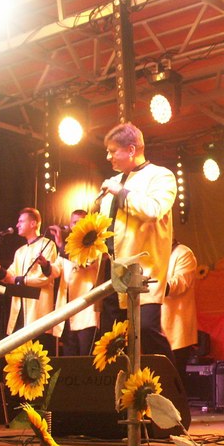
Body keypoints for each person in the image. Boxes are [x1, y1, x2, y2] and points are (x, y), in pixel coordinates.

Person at [97, 122, 176, 361]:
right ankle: (123, 386)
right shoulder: (114, 181)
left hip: (144, 273)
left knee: (147, 331)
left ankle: (172, 384)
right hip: (113, 273)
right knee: (112, 342)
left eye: (113, 151)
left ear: (131, 150)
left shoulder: (161, 175)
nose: (108, 157)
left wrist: (120, 192)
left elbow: (153, 209)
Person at [0, 206, 59, 349]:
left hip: (37, 312)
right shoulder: (20, 251)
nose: (17, 225)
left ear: (33, 223)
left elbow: (45, 278)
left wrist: (18, 280)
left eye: (21, 221)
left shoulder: (47, 245)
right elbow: (10, 275)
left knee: (36, 355)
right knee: (16, 355)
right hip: (19, 309)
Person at [44, 209, 100, 356]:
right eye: (74, 223)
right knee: (69, 357)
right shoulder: (67, 247)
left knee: (85, 357)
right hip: (67, 310)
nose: (77, 226)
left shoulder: (94, 244)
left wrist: (61, 246)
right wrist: (45, 265)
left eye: (81, 222)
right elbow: (56, 270)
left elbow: (85, 263)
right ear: (69, 225)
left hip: (85, 311)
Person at [161, 239, 199, 377]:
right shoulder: (154, 255)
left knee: (174, 379)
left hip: (176, 332)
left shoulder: (183, 253)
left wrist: (155, 285)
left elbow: (180, 283)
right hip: (154, 331)